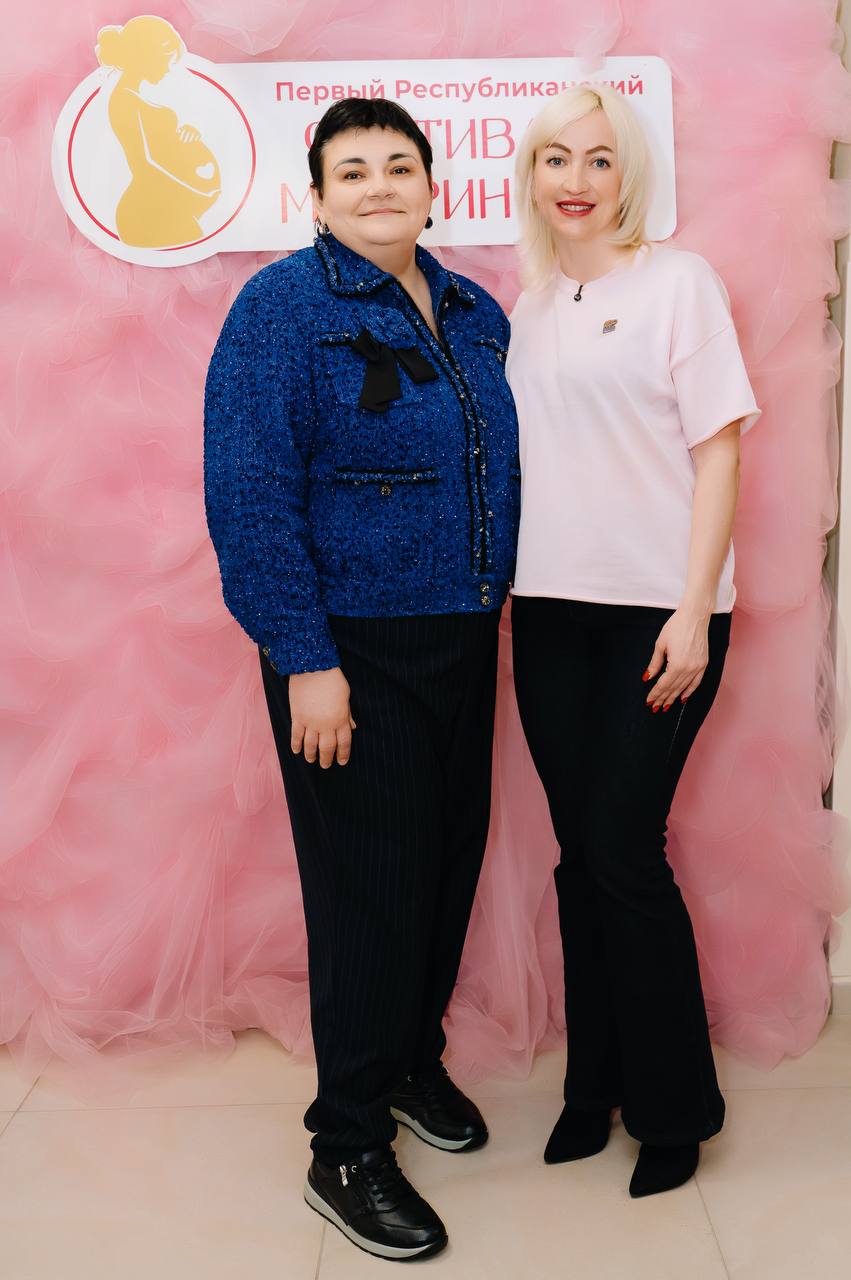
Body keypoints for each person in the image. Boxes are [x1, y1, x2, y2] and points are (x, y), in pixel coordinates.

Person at [204, 97, 520, 1260]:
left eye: (398, 165)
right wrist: (305, 660)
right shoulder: (280, 308)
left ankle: (407, 1059)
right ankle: (344, 1142)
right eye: (352, 170)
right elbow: (249, 492)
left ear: (433, 186)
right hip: (349, 649)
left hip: (463, 632)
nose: (379, 184)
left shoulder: (474, 311)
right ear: (317, 196)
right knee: (368, 897)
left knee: (441, 870)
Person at [506, 84, 760, 1198]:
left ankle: (673, 1109)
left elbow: (718, 452)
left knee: (622, 849)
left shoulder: (678, 282)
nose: (576, 180)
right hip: (547, 612)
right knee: (580, 856)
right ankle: (589, 1086)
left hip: (659, 614)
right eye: (555, 158)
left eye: (599, 159)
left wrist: (694, 608)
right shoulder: (528, 306)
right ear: (529, 176)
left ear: (628, 175)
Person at [96, 17, 220, 248]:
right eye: (165, 61)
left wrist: (187, 134)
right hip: (148, 213)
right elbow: (144, 164)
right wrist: (197, 194)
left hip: (166, 206)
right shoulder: (125, 101)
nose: (167, 69)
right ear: (146, 58)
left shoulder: (137, 97)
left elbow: (162, 146)